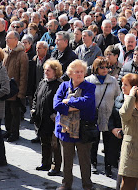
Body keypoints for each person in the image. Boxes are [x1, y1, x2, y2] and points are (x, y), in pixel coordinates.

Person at [54, 59, 96, 190]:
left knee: (85, 161)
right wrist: (72, 107)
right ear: (70, 73)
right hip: (65, 130)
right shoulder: (64, 86)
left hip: (83, 129)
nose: (79, 74)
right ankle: (66, 185)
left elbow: (87, 103)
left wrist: (68, 102)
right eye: (76, 72)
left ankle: (87, 186)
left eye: (82, 71)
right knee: (67, 161)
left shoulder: (89, 87)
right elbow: (56, 104)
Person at [85, 57, 120, 176]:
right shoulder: (88, 81)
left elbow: (118, 97)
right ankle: (93, 163)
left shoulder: (113, 81)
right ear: (95, 68)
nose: (105, 69)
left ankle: (108, 167)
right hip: (93, 117)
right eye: (102, 67)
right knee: (93, 142)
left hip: (109, 116)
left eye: (107, 67)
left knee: (109, 144)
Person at [32, 59, 63, 176]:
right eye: (45, 70)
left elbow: (61, 102)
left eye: (48, 70)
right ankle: (45, 163)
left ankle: (56, 167)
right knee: (44, 142)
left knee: (55, 145)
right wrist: (33, 108)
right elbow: (36, 97)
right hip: (42, 119)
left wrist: (56, 114)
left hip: (53, 120)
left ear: (55, 71)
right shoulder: (42, 82)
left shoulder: (60, 84)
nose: (46, 72)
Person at [2, 30, 28, 144]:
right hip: (5, 88)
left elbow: (24, 75)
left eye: (9, 38)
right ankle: (8, 130)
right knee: (6, 112)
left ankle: (14, 133)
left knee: (14, 113)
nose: (7, 40)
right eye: (6, 38)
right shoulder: (5, 52)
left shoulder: (22, 54)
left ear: (16, 40)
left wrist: (21, 93)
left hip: (15, 89)